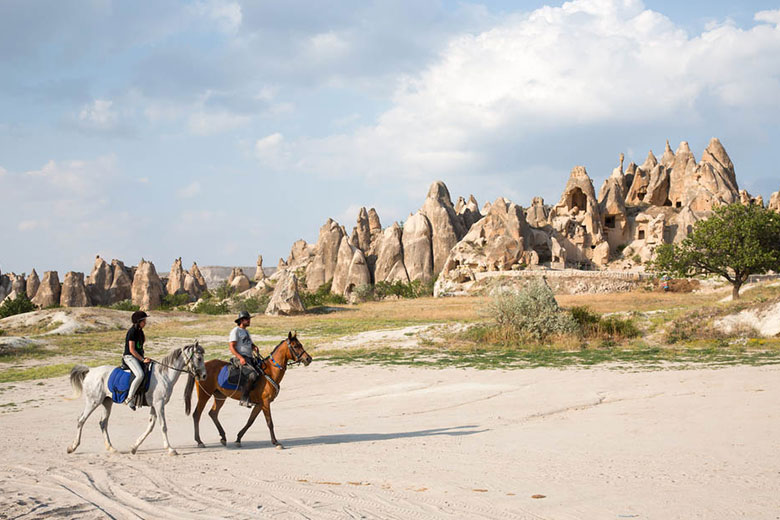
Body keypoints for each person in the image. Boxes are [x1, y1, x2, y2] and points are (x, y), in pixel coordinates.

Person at [229, 310, 261, 407]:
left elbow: (248, 343)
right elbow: (231, 347)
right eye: (247, 319)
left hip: (250, 357)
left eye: (249, 319)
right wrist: (240, 358)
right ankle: (244, 398)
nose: (249, 321)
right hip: (241, 358)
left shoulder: (246, 332)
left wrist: (254, 347)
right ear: (242, 320)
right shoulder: (236, 331)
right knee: (252, 375)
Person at [124, 310, 151, 410]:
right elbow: (131, 350)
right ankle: (130, 398)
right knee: (140, 375)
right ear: (139, 321)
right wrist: (142, 359)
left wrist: (144, 358)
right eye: (144, 320)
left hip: (138, 357)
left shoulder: (140, 331)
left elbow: (140, 348)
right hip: (129, 357)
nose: (145, 322)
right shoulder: (132, 332)